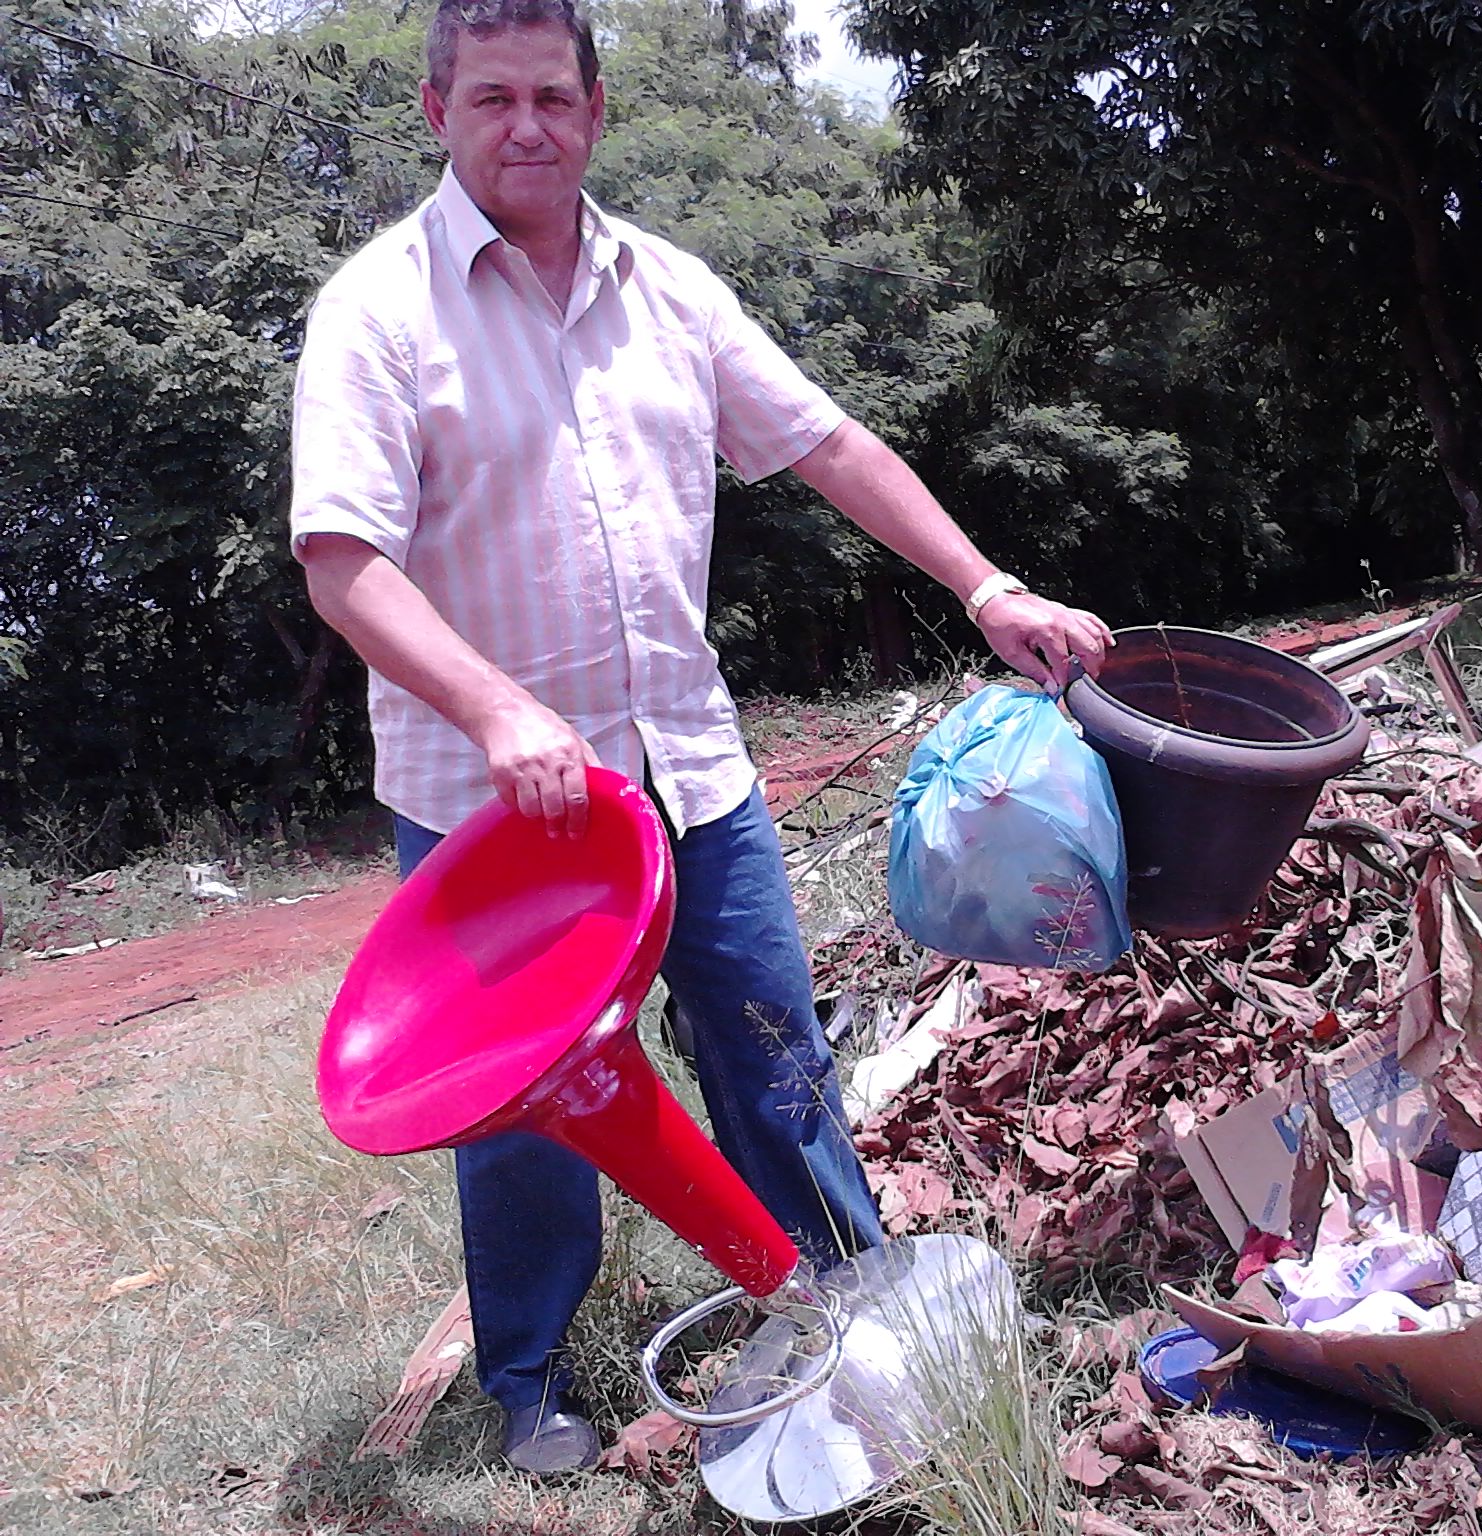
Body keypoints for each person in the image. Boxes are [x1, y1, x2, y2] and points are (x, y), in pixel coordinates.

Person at [288, 0, 1111, 1473]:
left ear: (597, 108)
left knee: (770, 1046)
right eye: (491, 99)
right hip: (497, 816)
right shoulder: (379, 309)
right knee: (526, 1116)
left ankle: (851, 1312)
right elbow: (342, 559)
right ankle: (531, 1380)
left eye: (552, 93)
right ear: (438, 112)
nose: (525, 124)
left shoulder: (669, 289)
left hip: (688, 770)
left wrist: (984, 585)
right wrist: (495, 707)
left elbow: (830, 444)